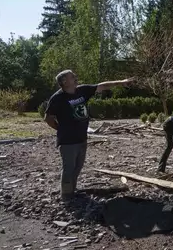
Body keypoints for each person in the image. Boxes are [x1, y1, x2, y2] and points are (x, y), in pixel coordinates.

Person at [43, 70, 134, 201]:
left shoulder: (82, 90)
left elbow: (102, 86)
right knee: (68, 169)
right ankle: (66, 196)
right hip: (68, 141)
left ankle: (72, 191)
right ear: (64, 82)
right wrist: (61, 129)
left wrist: (121, 83)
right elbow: (48, 118)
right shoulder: (57, 98)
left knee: (78, 167)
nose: (75, 77)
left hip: (82, 138)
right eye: (72, 76)